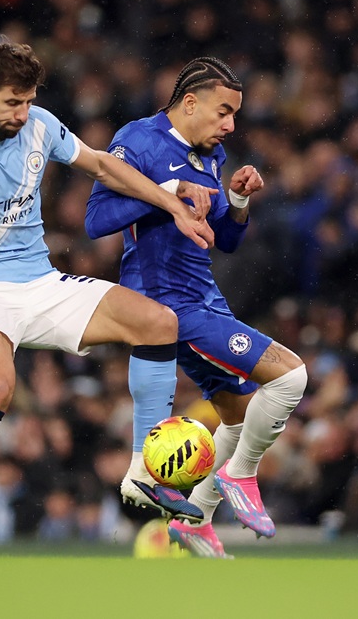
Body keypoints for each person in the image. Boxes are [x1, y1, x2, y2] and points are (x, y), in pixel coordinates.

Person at [0, 41, 219, 558]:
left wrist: (168, 200)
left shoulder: (39, 124)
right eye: (11, 104)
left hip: (39, 281)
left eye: (28, 101)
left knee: (159, 322)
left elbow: (102, 167)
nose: (22, 114)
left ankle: (141, 471)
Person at [85, 56, 308, 558]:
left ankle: (196, 520)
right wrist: (167, 192)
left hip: (203, 296)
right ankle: (239, 476)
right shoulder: (139, 140)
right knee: (291, 378)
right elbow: (96, 219)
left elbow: (224, 238)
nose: (230, 125)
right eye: (223, 112)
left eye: (235, 115)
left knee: (238, 415)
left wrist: (237, 198)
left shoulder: (211, 153)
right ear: (190, 103)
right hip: (165, 304)